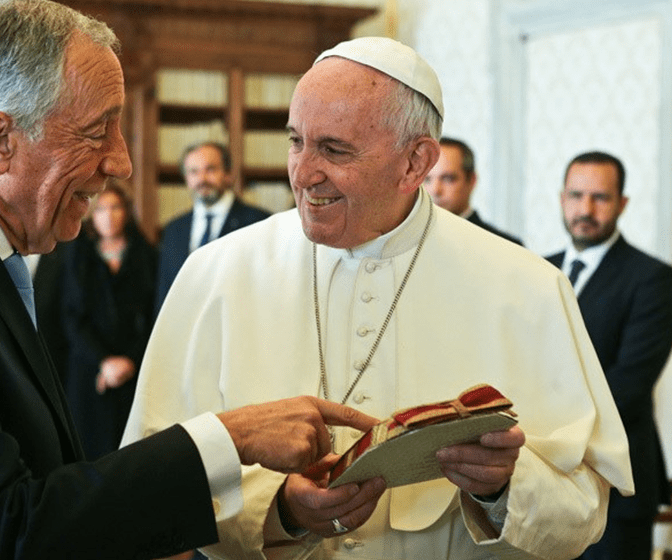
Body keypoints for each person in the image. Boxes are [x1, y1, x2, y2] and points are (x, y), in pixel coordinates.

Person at [0, 2, 380, 559]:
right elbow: (5, 533)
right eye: (98, 130)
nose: (122, 162)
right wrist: (228, 439)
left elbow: (36, 484)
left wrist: (267, 505)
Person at [123, 36, 634, 559]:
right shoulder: (217, 272)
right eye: (296, 141)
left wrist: (504, 486)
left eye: (334, 149)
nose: (303, 174)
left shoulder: (526, 285)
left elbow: (585, 510)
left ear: (415, 163)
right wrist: (280, 512)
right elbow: (145, 486)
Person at [546, 151, 672, 560]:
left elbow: (629, 385)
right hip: (543, 483)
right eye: (576, 195)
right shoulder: (540, 271)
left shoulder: (652, 278)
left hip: (616, 481)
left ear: (622, 204)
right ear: (562, 198)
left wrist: (545, 429)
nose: (585, 209)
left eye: (600, 198)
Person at [34, 181, 157, 460]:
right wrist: (104, 362)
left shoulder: (148, 255)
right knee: (90, 453)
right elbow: (70, 316)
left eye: (115, 207)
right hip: (88, 370)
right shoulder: (75, 256)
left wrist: (129, 361)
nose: (109, 215)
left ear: (127, 212)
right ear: (91, 215)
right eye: (101, 209)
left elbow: (154, 314)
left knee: (135, 453)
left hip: (135, 369)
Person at [155, 142, 270, 311]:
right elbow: (163, 298)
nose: (202, 179)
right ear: (186, 178)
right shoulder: (173, 230)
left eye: (210, 169)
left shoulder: (259, 222)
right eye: (193, 171)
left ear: (228, 174)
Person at [423, 137, 523, 245]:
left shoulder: (506, 246)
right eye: (426, 179)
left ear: (471, 180)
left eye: (448, 179)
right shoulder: (406, 241)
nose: (435, 190)